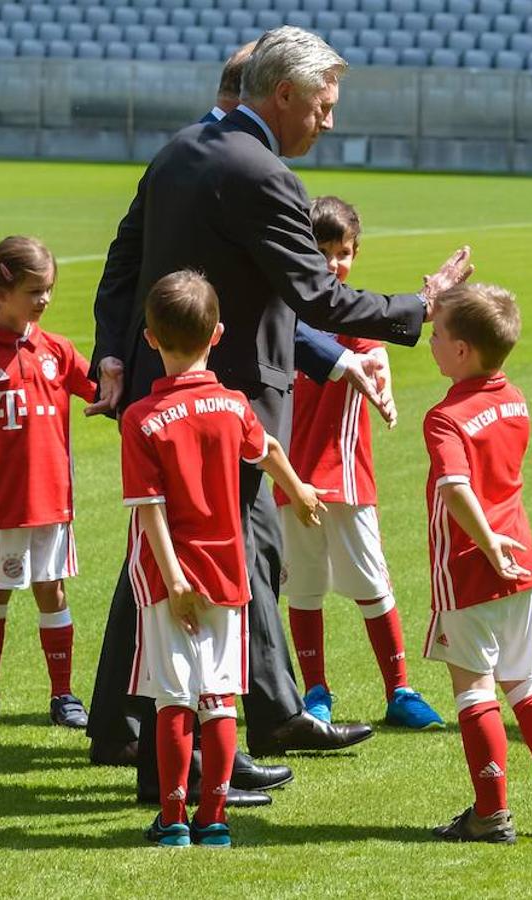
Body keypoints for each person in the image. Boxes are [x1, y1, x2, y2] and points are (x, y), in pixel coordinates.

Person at [86, 25, 471, 773]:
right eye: (324, 105)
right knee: (211, 558)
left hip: (167, 387)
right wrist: (420, 306)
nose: (329, 121)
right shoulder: (263, 174)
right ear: (285, 94)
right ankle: (191, 733)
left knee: (224, 553)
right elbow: (317, 298)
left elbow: (124, 258)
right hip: (222, 402)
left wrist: (117, 350)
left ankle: (201, 718)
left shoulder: (179, 151)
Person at [123, 270, 325, 848]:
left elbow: (151, 512)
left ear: (150, 337)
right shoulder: (233, 404)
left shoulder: (141, 419)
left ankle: (173, 817)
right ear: (217, 335)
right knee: (218, 696)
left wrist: (175, 578)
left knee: (172, 697)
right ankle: (214, 818)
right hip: (228, 573)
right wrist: (303, 492)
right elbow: (268, 452)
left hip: (171, 579)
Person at [423, 283, 532, 844]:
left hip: (472, 562)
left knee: (474, 688)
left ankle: (490, 813)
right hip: (522, 560)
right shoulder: (514, 397)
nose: (431, 342)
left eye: (439, 335)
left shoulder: (445, 417)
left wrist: (487, 541)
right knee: (527, 679)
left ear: (464, 351)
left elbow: (455, 488)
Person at [277, 196, 443, 730]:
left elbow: (374, 353)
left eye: (342, 252)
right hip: (290, 478)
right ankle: (316, 690)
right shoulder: (284, 316)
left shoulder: (349, 312)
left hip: (345, 478)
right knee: (302, 588)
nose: (332, 263)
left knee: (372, 586)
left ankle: (399, 690)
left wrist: (382, 372)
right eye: (321, 251)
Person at [0, 236, 97, 730]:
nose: (44, 300)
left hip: (53, 504)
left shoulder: (58, 351)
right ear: (1, 291)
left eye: (48, 289)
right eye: (34, 290)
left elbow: (100, 391)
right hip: (0, 506)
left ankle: (64, 695)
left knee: (53, 593)